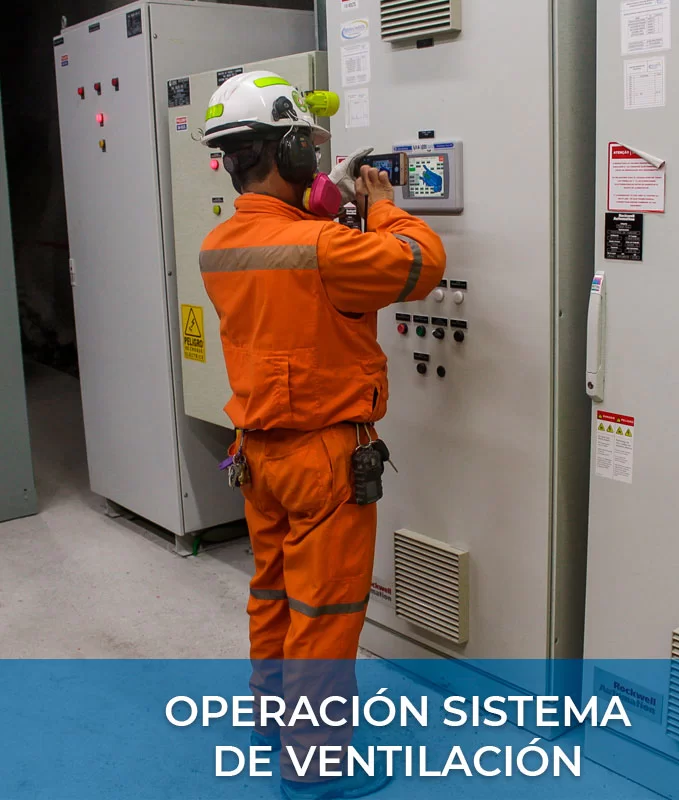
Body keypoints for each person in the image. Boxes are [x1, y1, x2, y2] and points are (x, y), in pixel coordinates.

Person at [198, 72, 446, 799]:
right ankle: (313, 768)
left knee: (274, 594)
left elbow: (289, 267)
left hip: (256, 454)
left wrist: (326, 206)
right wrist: (385, 207)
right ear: (286, 150)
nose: (314, 154)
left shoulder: (220, 245)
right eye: (305, 143)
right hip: (323, 460)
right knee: (325, 612)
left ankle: (272, 720)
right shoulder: (323, 248)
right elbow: (422, 263)